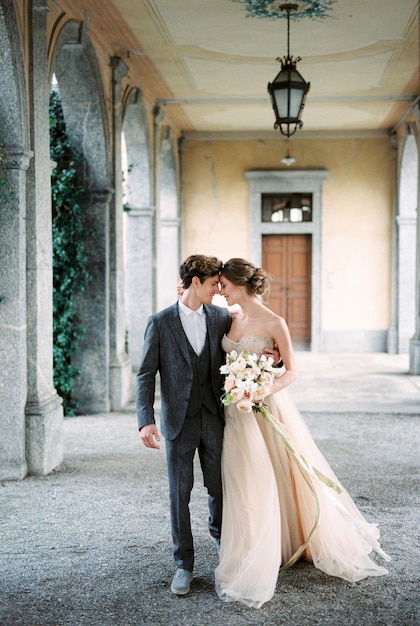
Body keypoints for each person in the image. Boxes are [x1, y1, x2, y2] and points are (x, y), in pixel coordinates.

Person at [215, 258, 390, 609]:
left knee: (272, 472)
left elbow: (292, 371)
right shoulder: (228, 318)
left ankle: (278, 544)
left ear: (239, 284)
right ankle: (255, 542)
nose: (220, 290)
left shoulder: (274, 322)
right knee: (242, 476)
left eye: (224, 284)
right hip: (234, 411)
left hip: (263, 406)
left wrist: (261, 389)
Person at [136, 254, 279, 596]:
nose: (219, 289)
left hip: (216, 418)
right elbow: (145, 374)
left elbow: (253, 327)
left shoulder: (219, 317)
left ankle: (223, 548)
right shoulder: (159, 322)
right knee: (179, 495)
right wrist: (146, 420)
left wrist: (272, 358)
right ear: (195, 282)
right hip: (177, 423)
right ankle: (183, 564)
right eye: (213, 283)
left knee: (219, 489)